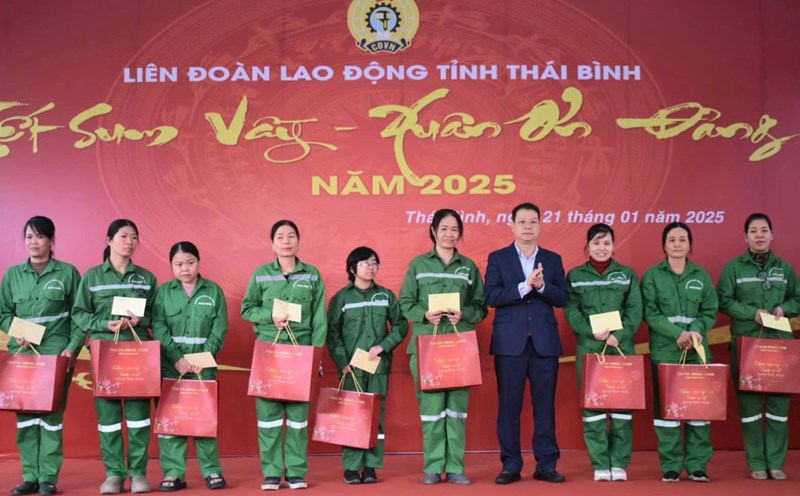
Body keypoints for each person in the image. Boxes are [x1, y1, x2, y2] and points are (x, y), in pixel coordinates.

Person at [399, 209, 487, 485]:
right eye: (444, 228)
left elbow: (481, 306)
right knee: (432, 410)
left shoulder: (468, 266)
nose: (449, 234)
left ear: (460, 233)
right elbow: (405, 302)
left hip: (460, 348)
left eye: (454, 229)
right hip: (428, 347)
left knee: (457, 411)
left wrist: (466, 314)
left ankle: (456, 466)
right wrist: (423, 314)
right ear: (434, 230)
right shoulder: (418, 265)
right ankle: (434, 467)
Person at [484, 202, 569, 484]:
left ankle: (546, 463)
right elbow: (492, 297)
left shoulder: (553, 259)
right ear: (512, 225)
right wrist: (525, 286)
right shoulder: (498, 258)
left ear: (540, 225)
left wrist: (543, 286)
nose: (528, 227)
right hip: (510, 344)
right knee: (509, 406)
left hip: (544, 343)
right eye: (522, 222)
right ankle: (510, 464)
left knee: (545, 406)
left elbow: (562, 297)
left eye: (533, 222)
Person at [71, 219, 158, 494]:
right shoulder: (92, 277)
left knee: (138, 416)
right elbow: (79, 313)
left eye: (134, 237)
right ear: (108, 240)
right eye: (123, 236)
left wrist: (141, 318)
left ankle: (139, 473)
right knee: (108, 417)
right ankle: (113, 474)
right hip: (104, 352)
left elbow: (159, 314)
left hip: (137, 352)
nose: (129, 241)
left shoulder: (146, 278)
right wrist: (103, 324)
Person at [241, 220, 327, 491]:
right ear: (272, 245)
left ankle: (296, 472)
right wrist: (269, 316)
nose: (286, 240)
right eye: (280, 236)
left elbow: (320, 320)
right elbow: (246, 309)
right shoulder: (261, 274)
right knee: (269, 418)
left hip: (301, 353)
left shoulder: (312, 275)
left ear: (299, 243)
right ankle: (271, 472)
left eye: (291, 236)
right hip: (269, 353)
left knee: (299, 420)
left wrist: (315, 356)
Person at [0, 216, 82, 496]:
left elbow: (79, 316)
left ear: (51, 240)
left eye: (39, 236)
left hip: (55, 356)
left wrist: (72, 347)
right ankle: (30, 477)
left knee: (50, 418)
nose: (33, 242)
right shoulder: (12, 275)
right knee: (25, 418)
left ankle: (48, 477)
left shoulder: (68, 273)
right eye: (28, 237)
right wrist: (15, 330)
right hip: (22, 355)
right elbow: (3, 314)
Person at [717, 213, 800, 481]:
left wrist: (784, 308)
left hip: (779, 347)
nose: (759, 235)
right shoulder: (733, 268)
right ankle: (756, 463)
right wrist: (750, 313)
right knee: (750, 410)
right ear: (746, 237)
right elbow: (724, 301)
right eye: (754, 231)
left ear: (772, 235)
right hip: (747, 346)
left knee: (778, 410)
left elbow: (798, 298)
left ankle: (775, 463)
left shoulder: (785, 269)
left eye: (764, 230)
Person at [564, 223, 642, 482]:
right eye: (596, 243)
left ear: (614, 245)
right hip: (590, 349)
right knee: (593, 409)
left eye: (606, 243)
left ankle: (619, 462)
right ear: (587, 247)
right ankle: (600, 463)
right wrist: (589, 330)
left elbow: (634, 310)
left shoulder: (627, 274)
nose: (601, 248)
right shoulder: (575, 275)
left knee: (621, 408)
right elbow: (570, 309)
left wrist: (618, 335)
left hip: (620, 348)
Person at [641, 222, 717, 483]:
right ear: (664, 245)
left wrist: (695, 330)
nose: (676, 244)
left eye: (682, 239)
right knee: (666, 413)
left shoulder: (701, 276)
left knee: (698, 410)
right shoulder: (652, 276)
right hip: (666, 352)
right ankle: (671, 465)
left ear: (689, 245)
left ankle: (697, 465)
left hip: (697, 351)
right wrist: (677, 334)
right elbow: (649, 313)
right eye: (671, 239)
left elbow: (709, 312)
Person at [326, 246, 408, 484]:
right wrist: (342, 361)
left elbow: (401, 325)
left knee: (376, 417)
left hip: (378, 366)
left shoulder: (385, 296)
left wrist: (383, 346)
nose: (371, 268)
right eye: (365, 263)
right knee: (352, 416)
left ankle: (371, 466)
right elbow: (333, 333)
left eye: (374, 263)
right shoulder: (341, 298)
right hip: (351, 369)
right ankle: (352, 467)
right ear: (352, 268)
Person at [151, 242, 228, 491]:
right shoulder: (163, 293)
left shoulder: (214, 291)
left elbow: (220, 329)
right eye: (178, 264)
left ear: (199, 262)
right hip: (171, 369)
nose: (185, 268)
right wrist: (177, 358)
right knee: (171, 424)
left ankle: (211, 471)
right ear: (172, 266)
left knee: (204, 421)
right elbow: (159, 327)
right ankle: (174, 473)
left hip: (202, 369)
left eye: (190, 262)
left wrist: (202, 358)